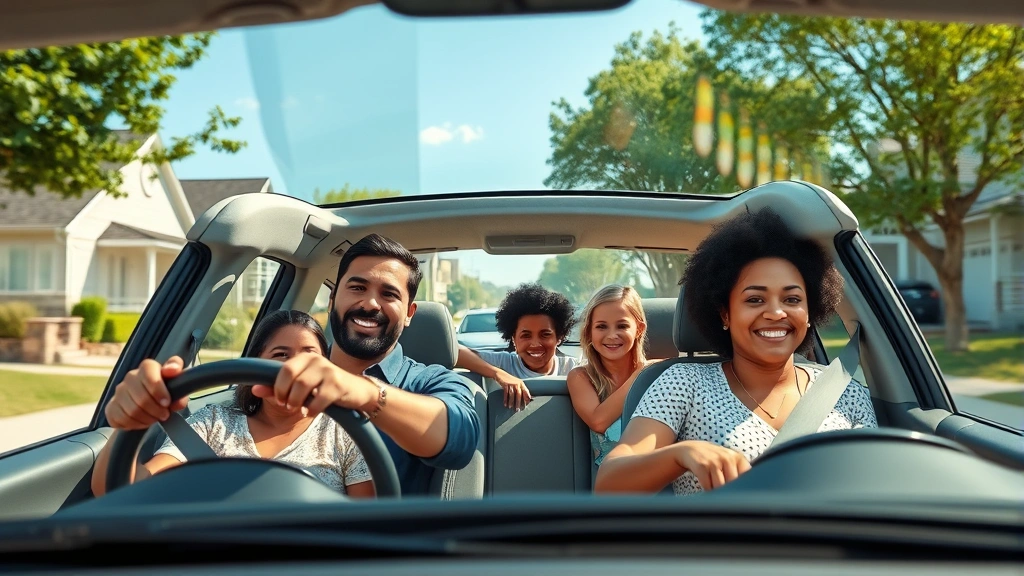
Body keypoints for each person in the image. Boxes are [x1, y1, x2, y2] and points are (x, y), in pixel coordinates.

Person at [97, 234, 481, 497]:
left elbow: (458, 438)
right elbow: (119, 490)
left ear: (410, 313)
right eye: (357, 287)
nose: (370, 304)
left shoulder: (432, 380)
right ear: (332, 300)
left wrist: (364, 392)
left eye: (389, 294)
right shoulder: (247, 398)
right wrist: (136, 416)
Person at [595, 207, 877, 496]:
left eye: (792, 299)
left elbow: (878, 491)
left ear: (808, 313)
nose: (776, 312)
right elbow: (608, 486)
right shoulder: (683, 384)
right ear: (725, 315)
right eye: (755, 299)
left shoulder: (847, 394)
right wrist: (680, 455)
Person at [92, 310, 374, 497]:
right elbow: (119, 490)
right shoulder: (214, 422)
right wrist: (132, 421)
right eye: (280, 355)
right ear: (254, 366)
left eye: (309, 355)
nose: (295, 368)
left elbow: (367, 528)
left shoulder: (344, 432)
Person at [567, 285, 658, 468]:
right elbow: (598, 421)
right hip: (613, 485)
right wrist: (640, 373)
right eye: (601, 326)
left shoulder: (663, 373)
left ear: (639, 329)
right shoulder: (581, 377)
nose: (612, 335)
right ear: (589, 332)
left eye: (622, 326)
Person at [456, 283, 578, 410]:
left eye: (545, 335)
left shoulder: (572, 368)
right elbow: (455, 353)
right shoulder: (504, 364)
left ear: (559, 337)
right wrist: (498, 374)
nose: (535, 344)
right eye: (526, 335)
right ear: (513, 338)